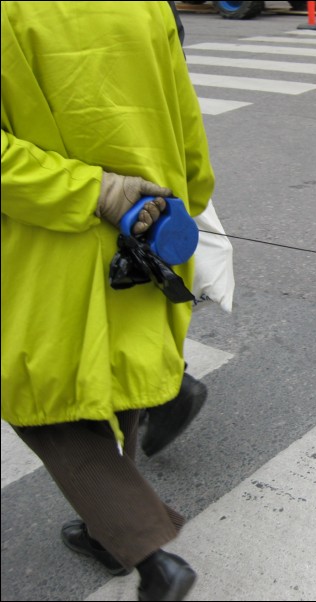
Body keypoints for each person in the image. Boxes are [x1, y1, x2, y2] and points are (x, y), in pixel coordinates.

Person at [1, 2, 215, 600]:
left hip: (47, 238)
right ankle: (106, 532)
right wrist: (190, 199)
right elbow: (183, 113)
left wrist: (94, 189)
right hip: (151, 222)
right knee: (117, 372)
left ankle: (148, 554)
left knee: (41, 397)